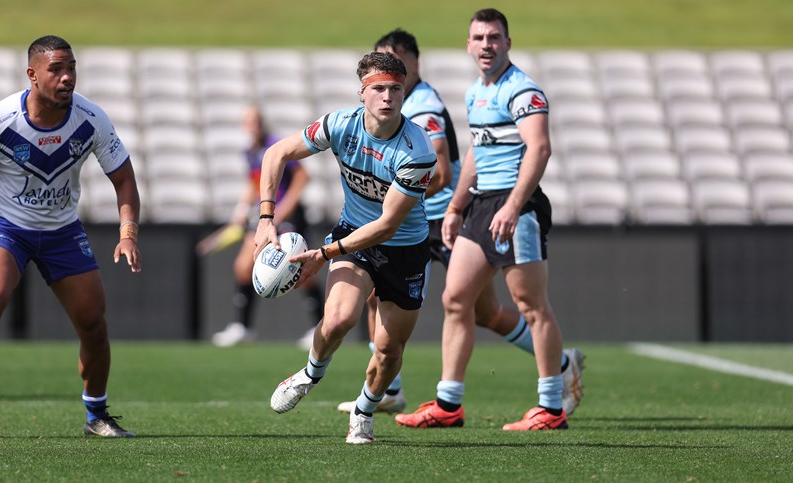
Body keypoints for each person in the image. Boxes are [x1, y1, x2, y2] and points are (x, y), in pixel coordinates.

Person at [338, 29, 584, 420]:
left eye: (394, 62)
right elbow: (471, 151)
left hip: (429, 220)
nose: (387, 75)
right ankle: (404, 392)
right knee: (445, 303)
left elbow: (438, 170)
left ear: (412, 62)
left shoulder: (423, 105)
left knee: (495, 308)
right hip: (441, 215)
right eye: (380, 65)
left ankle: (558, 374)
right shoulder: (444, 96)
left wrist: (413, 204)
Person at [394, 9, 577, 431]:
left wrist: (514, 206)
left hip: (518, 206)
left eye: (494, 37)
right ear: (468, 45)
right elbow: (476, 152)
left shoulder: (523, 90)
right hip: (479, 206)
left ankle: (551, 409)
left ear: (508, 43)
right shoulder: (476, 92)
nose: (486, 45)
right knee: (456, 299)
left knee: (532, 307)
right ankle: (448, 404)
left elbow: (539, 149)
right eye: (478, 38)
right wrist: (456, 207)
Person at [256, 51, 437, 444]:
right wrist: (266, 217)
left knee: (388, 351)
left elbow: (388, 224)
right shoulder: (339, 125)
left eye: (395, 89)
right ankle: (309, 374)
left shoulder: (417, 150)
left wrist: (323, 255)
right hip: (353, 236)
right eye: (378, 89)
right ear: (362, 93)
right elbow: (276, 153)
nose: (387, 97)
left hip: (404, 249)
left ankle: (364, 410)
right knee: (339, 319)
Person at [0, 35, 140, 437]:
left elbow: (125, 180)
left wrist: (127, 233)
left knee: (94, 323)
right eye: (56, 69)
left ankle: (96, 415)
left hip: (62, 231)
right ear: (32, 75)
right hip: (6, 226)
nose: (66, 78)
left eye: (71, 68)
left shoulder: (91, 118)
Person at [197, 106, 323, 349]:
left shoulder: (275, 144)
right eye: (248, 122)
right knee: (243, 267)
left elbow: (301, 178)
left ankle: (319, 326)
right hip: (265, 214)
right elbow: (254, 183)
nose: (252, 126)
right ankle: (243, 327)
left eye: (255, 122)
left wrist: (284, 208)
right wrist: (242, 208)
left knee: (301, 271)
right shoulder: (250, 151)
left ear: (262, 123)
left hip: (288, 215)